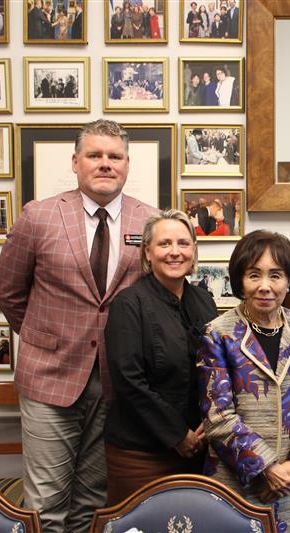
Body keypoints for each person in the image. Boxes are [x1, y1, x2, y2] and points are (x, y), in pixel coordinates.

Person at [0, 120, 157, 533]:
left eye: (114, 156)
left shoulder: (151, 220)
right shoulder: (39, 216)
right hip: (49, 379)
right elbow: (9, 292)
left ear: (126, 164)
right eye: (95, 155)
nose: (105, 164)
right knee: (46, 505)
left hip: (114, 383)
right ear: (75, 162)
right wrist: (44, 339)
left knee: (92, 501)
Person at [198, 230, 290, 532]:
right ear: (239, 280)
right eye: (254, 275)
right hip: (237, 484)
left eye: (276, 275)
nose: (265, 287)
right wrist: (267, 468)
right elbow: (218, 417)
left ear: (289, 280)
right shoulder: (218, 332)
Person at [104, 210, 217, 505]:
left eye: (183, 243)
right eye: (165, 244)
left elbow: (219, 368)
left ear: (194, 251)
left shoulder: (204, 300)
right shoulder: (128, 304)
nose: (175, 252)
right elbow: (129, 380)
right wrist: (179, 435)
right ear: (148, 252)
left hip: (200, 448)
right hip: (141, 455)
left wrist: (209, 424)